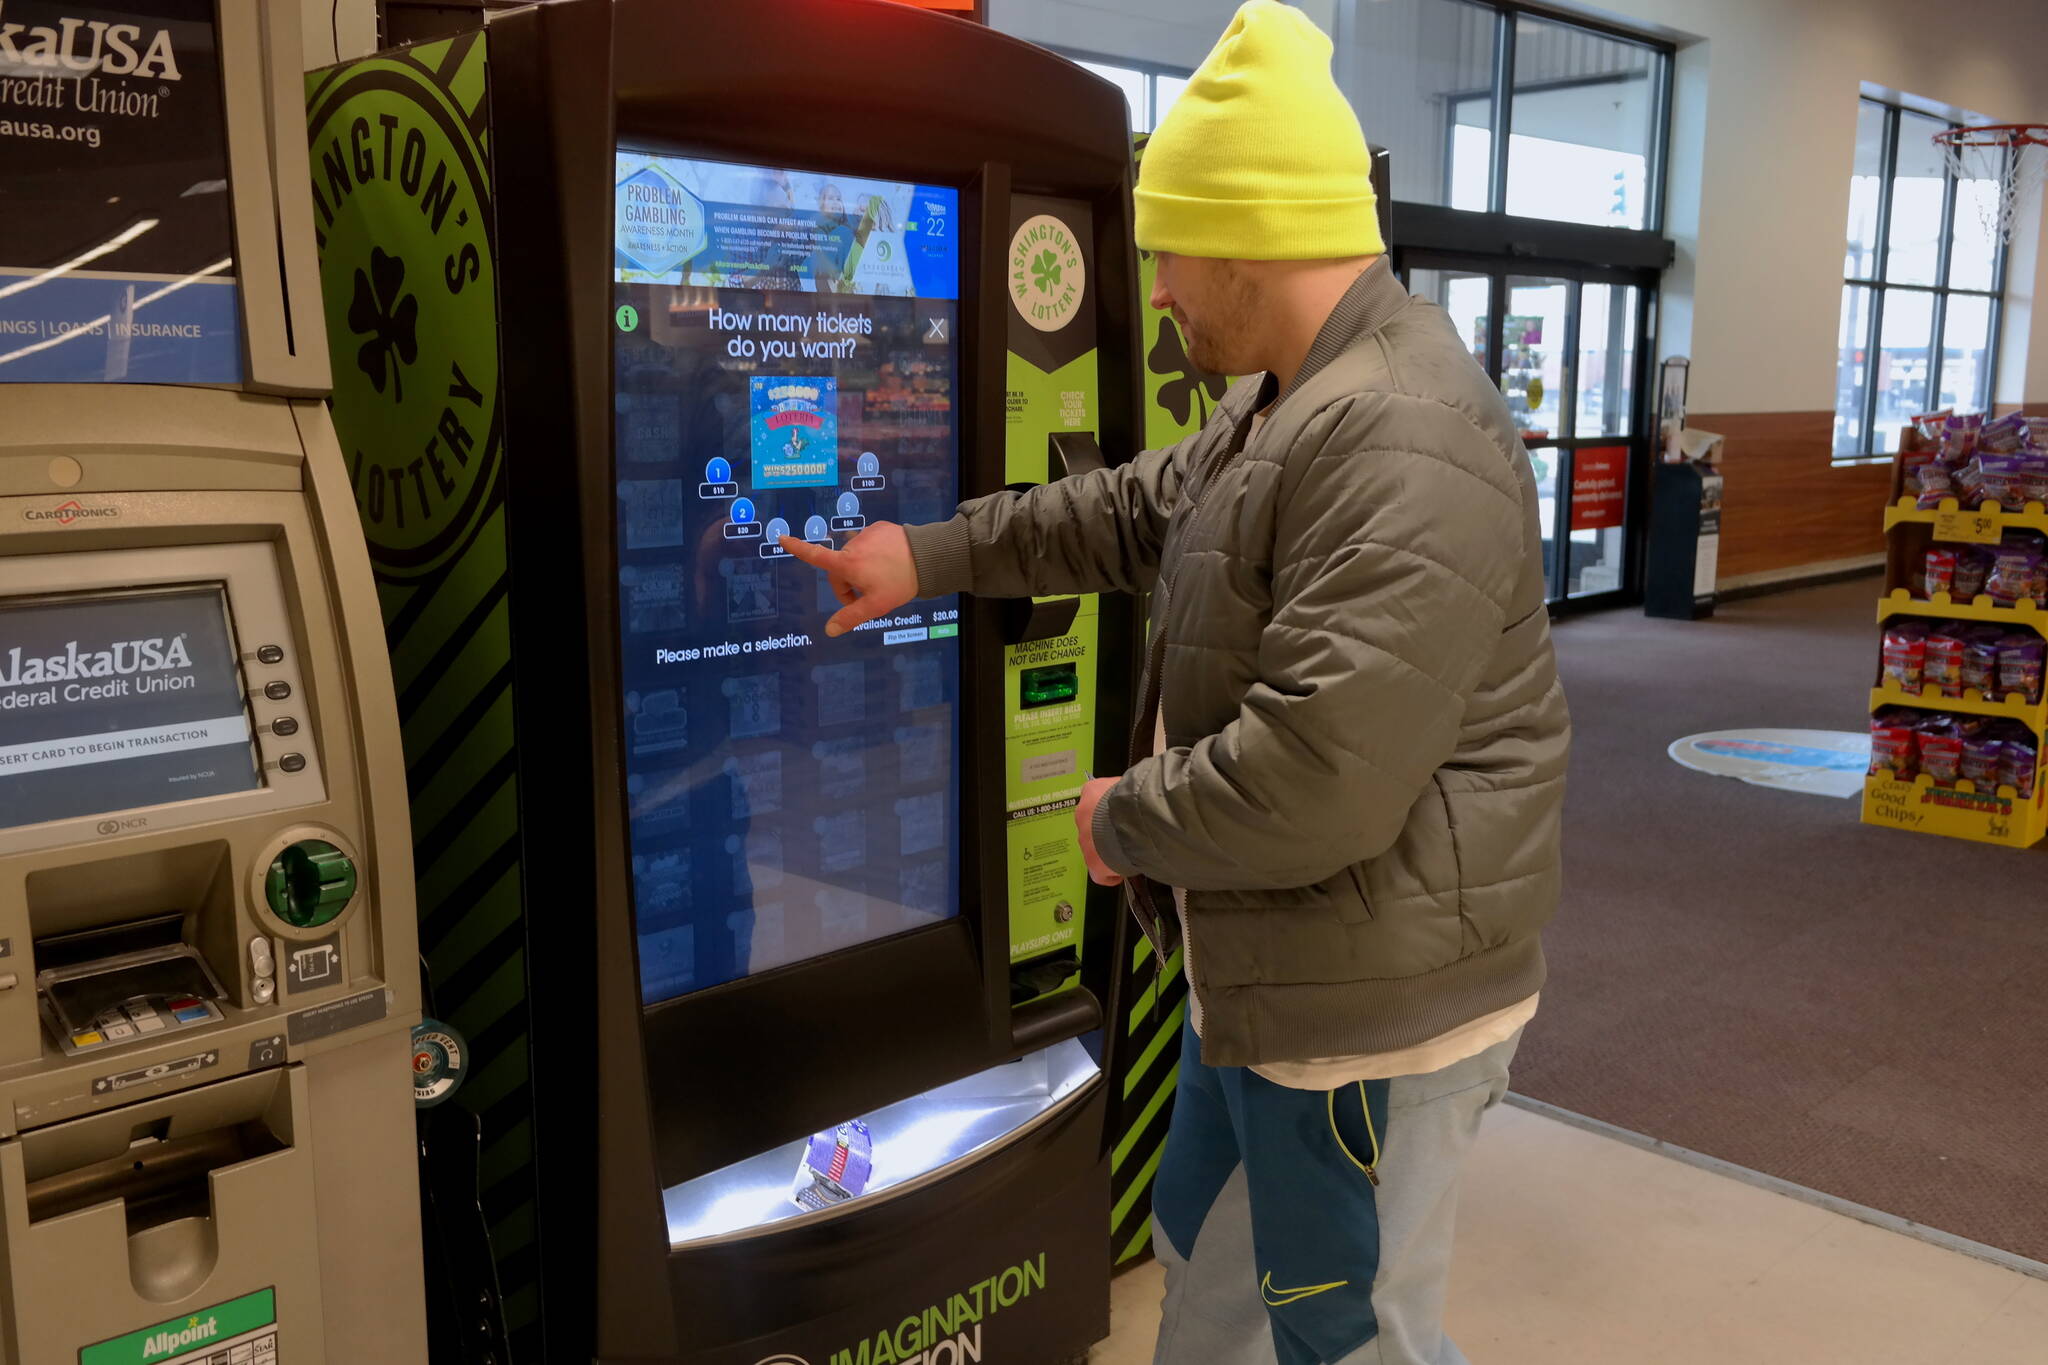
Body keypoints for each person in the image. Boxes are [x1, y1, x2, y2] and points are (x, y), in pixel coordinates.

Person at [783, 3, 1567, 1361]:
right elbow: (1130, 511)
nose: (1154, 292)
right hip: (1271, 975)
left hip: (1371, 1017)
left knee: (1345, 1327)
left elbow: (1318, 775)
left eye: (1166, 254)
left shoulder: (1396, 431)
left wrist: (1116, 819)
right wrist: (924, 553)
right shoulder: (1286, 401)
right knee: (1204, 1263)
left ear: (1251, 235)